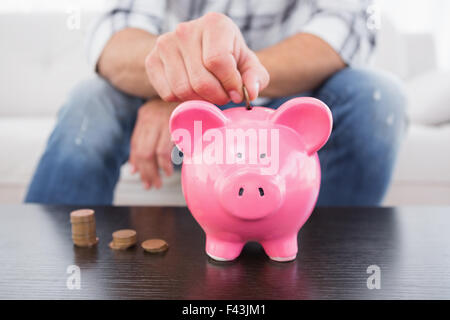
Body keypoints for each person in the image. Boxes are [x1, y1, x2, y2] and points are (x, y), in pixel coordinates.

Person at [25, 0, 406, 206]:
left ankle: (324, 268)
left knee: (377, 98)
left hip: (289, 97)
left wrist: (196, 90)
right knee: (89, 100)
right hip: (160, 91)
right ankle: (52, 267)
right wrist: (169, 87)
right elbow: (114, 43)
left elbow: (338, 36)